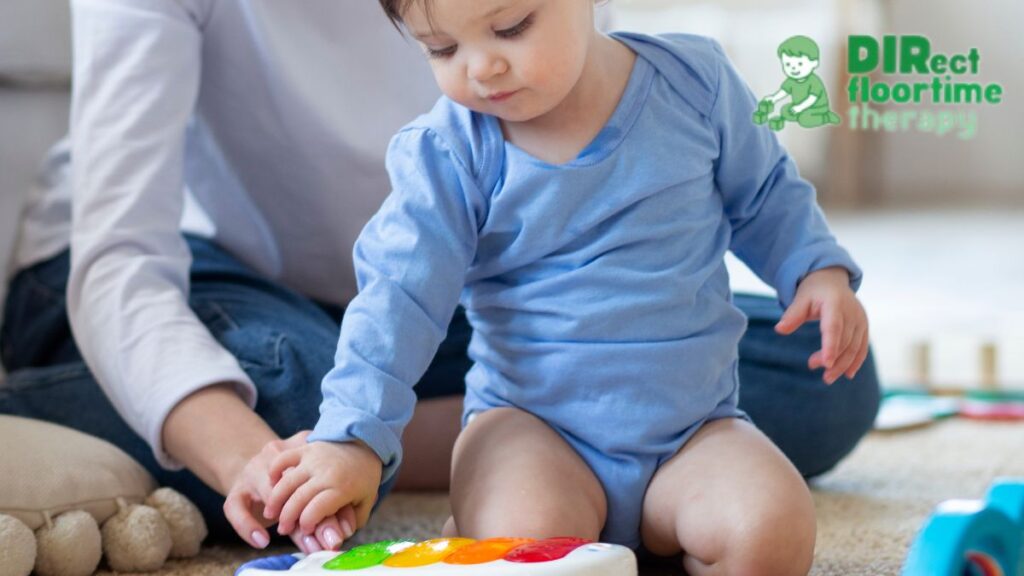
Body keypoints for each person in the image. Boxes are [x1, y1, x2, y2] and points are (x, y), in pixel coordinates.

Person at [0, 0, 879, 561]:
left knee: (819, 384)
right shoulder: (449, 145)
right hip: (227, 279)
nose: (481, 70)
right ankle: (381, 447)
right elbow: (399, 298)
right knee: (325, 392)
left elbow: (764, 192)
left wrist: (819, 270)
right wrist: (347, 438)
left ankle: (433, 449)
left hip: (664, 396)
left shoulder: (691, 82)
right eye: (439, 48)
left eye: (511, 27)